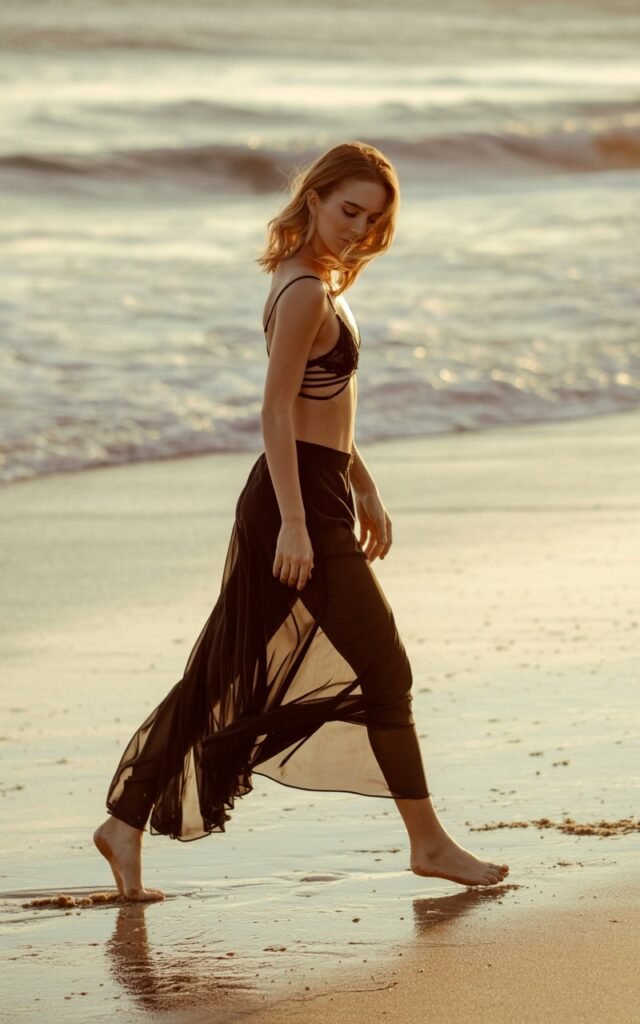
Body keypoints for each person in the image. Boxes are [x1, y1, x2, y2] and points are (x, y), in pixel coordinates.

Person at [93, 140, 509, 901]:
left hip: (316, 492)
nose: (357, 227)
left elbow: (327, 413)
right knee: (385, 669)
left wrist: (365, 485)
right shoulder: (305, 294)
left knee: (218, 670)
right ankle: (429, 845)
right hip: (295, 505)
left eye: (372, 218)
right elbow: (276, 409)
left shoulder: (320, 281)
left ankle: (122, 824)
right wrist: (294, 522)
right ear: (313, 197)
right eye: (347, 209)